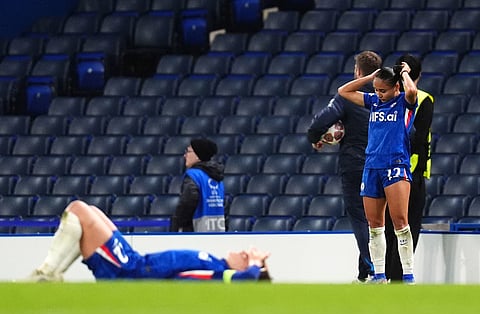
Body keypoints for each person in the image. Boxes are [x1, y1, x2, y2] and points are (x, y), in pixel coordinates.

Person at [27, 200, 271, 282]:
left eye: (246, 257)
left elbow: (247, 279)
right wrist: (254, 264)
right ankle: (49, 275)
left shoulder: (222, 275)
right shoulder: (216, 265)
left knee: (78, 209)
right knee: (93, 210)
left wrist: (257, 265)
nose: (242, 252)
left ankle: (46, 274)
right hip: (136, 263)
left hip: (129, 273)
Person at [337, 62, 418, 284]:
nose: (379, 94)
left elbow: (411, 90)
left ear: (396, 88)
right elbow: (343, 91)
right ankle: (380, 276)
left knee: (401, 223)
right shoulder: (373, 102)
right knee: (374, 226)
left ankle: (408, 275)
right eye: (376, 90)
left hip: (395, 165)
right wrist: (370, 77)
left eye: (383, 90)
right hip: (371, 166)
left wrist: (404, 73)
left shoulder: (404, 102)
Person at [307, 51, 382, 283]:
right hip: (383, 164)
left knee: (361, 219)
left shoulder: (349, 96)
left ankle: (375, 270)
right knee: (376, 220)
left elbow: (321, 121)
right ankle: (364, 276)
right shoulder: (388, 96)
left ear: (358, 72)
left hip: (355, 164)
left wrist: (315, 137)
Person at [385, 54, 434, 282]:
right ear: (419, 76)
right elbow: (419, 139)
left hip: (385, 171)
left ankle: (385, 277)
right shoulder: (423, 99)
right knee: (407, 228)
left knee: (387, 229)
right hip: (410, 172)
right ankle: (398, 280)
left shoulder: (387, 97)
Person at [170, 138, 226, 232]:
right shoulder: (217, 178)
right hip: (217, 232)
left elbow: (187, 203)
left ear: (197, 155)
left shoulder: (194, 175)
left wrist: (176, 227)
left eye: (188, 151)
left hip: (196, 234)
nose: (185, 155)